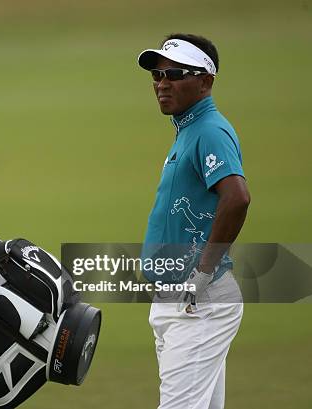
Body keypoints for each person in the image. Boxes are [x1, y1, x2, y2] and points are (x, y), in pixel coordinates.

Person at [137, 34, 250, 409]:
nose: (162, 83)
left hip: (198, 303)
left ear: (205, 81)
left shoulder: (208, 131)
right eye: (157, 74)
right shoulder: (189, 129)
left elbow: (237, 197)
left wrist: (202, 273)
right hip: (181, 302)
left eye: (176, 73)